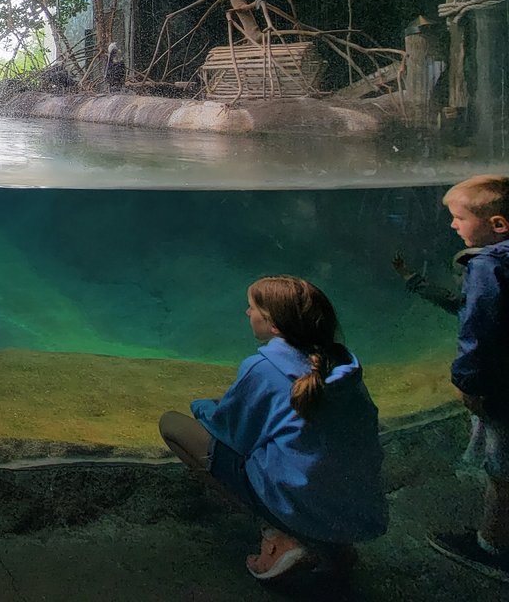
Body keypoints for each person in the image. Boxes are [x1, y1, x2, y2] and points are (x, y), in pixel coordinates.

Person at [159, 276, 387, 582]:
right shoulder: (344, 368)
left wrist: (203, 405)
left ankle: (280, 532)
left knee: (171, 424)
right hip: (355, 509)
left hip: (297, 502)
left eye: (253, 308)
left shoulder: (262, 368)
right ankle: (330, 543)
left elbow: (233, 435)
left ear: (274, 326)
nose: (247, 313)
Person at [424, 175, 509, 582]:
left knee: (501, 472)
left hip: (501, 389)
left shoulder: (488, 267)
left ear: (497, 225)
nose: (453, 226)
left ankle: (492, 547)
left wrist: (467, 382)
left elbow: (478, 330)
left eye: (459, 217)